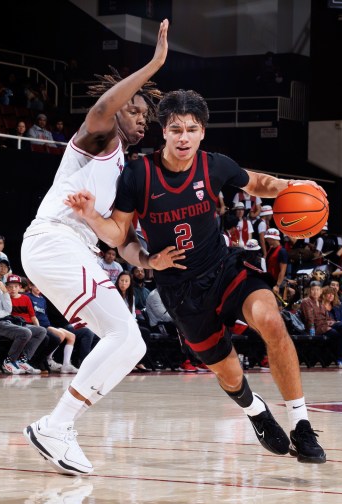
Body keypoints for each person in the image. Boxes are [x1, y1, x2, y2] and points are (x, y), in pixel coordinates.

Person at [66, 88, 327, 464]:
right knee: (230, 374)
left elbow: (257, 183)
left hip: (224, 268)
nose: (183, 137)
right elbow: (118, 236)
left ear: (202, 131)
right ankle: (256, 411)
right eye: (175, 129)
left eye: (191, 129)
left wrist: (296, 188)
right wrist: (96, 220)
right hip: (180, 290)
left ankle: (301, 425)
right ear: (164, 132)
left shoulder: (215, 165)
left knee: (271, 320)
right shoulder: (139, 174)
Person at [20, 18, 169, 476]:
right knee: (125, 337)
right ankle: (55, 425)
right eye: (137, 111)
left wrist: (148, 260)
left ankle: (60, 425)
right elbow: (106, 104)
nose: (141, 121)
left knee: (130, 344)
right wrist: (155, 63)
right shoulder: (97, 140)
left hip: (75, 249)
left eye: (146, 118)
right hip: (53, 240)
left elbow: (120, 240)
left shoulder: (125, 174)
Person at [0, 263, 46, 375]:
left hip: (5, 322)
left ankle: (22, 360)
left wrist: (5, 292)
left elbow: (8, 309)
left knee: (41, 331)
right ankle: (9, 361)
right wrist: (5, 313)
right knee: (25, 332)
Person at [25, 280, 78, 373]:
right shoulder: (28, 297)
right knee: (60, 335)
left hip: (48, 324)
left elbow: (44, 314)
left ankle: (66, 365)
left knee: (72, 336)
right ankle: (49, 359)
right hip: (40, 325)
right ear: (30, 286)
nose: (38, 288)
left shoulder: (42, 299)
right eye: (36, 286)